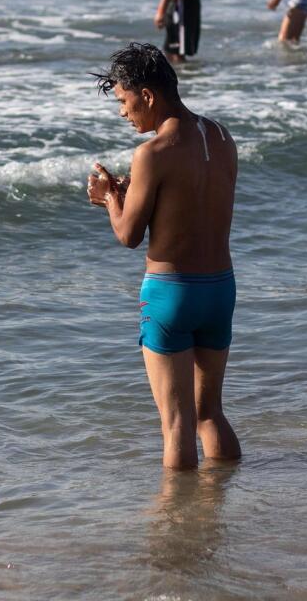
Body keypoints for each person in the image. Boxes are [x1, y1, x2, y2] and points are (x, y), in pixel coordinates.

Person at [87, 43, 241, 470]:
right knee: (210, 414)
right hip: (220, 289)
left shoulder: (152, 154)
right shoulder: (223, 136)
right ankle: (224, 498)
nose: (123, 112)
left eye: (124, 101)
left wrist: (109, 200)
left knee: (176, 424)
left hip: (171, 294)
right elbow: (190, 202)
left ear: (148, 96)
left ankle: (179, 525)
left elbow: (130, 235)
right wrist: (132, 189)